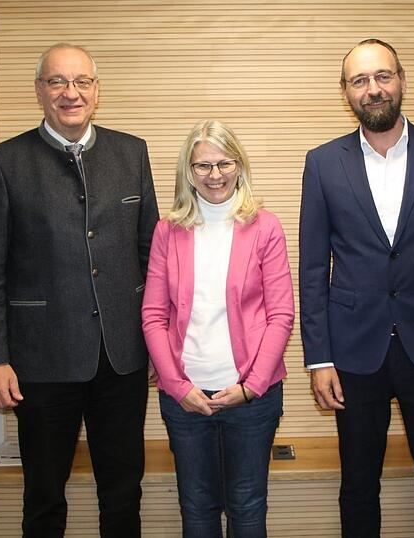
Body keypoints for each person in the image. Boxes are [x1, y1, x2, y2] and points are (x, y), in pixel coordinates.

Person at [0, 43, 159, 538]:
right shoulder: (5, 163)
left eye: (81, 82)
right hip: (41, 361)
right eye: (57, 82)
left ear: (96, 91)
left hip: (123, 358)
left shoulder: (131, 152)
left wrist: (160, 342)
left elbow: (153, 259)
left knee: (122, 493)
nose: (70, 93)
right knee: (44, 497)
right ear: (39, 91)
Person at [299, 38, 414, 537]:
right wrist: (319, 359)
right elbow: (314, 267)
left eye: (383, 76)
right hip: (353, 353)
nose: (373, 89)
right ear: (346, 92)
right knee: (358, 485)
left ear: (401, 80)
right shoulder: (322, 162)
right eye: (360, 80)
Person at [142, 120, 294, 537]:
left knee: (247, 508)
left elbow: (281, 313)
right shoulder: (167, 231)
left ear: (239, 166)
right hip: (185, 399)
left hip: (250, 400)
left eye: (224, 163)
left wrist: (251, 386)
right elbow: (153, 315)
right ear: (187, 172)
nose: (215, 175)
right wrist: (177, 386)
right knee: (197, 509)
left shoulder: (265, 227)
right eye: (202, 166)